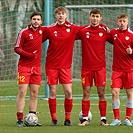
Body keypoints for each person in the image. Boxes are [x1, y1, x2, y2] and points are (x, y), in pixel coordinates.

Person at [43, 6, 82, 126]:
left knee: (68, 92)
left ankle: (67, 118)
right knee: (53, 92)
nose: (61, 16)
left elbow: (87, 31)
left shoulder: (73, 28)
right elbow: (37, 38)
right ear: (55, 16)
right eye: (58, 13)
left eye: (63, 14)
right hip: (51, 66)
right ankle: (54, 119)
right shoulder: (49, 29)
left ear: (66, 15)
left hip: (65, 66)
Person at [76, 8, 111, 126]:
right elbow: (69, 35)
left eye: (97, 16)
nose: (95, 18)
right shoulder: (83, 31)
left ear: (100, 18)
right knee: (86, 92)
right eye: (93, 16)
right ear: (89, 17)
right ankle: (84, 118)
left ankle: (103, 119)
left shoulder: (105, 31)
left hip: (100, 68)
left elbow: (117, 41)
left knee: (101, 93)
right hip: (86, 68)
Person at [14, 11, 46, 127]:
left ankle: (32, 118)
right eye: (34, 19)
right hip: (24, 67)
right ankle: (19, 119)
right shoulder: (24, 32)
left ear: (41, 21)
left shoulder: (43, 31)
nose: (36, 21)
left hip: (36, 68)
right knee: (22, 92)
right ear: (30, 20)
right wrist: (29, 55)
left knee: (35, 93)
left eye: (38, 19)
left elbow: (55, 28)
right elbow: (17, 48)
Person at [109, 14, 133, 126]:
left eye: (124, 21)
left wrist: (131, 52)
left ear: (127, 22)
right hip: (117, 70)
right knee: (114, 92)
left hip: (129, 69)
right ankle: (116, 119)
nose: (122, 23)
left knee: (130, 93)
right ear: (117, 22)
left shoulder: (132, 35)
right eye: (120, 21)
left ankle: (127, 118)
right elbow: (104, 33)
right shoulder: (113, 33)